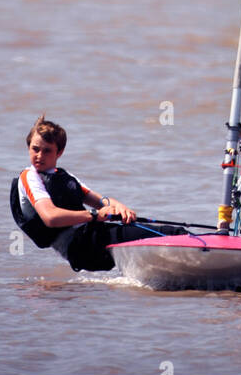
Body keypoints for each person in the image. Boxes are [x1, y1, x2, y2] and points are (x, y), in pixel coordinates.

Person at [11, 114, 145, 272]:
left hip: (90, 237)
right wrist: (94, 215)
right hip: (79, 247)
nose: (39, 155)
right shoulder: (30, 177)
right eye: (35, 149)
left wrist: (121, 208)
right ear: (28, 147)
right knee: (153, 235)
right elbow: (51, 218)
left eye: (47, 151)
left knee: (147, 230)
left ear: (59, 152)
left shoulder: (62, 176)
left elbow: (101, 201)